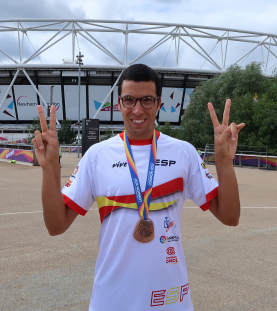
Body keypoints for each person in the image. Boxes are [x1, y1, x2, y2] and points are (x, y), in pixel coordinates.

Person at [32, 64, 245, 311]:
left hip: (170, 300)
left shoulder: (183, 152)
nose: (137, 109)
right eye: (129, 100)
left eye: (146, 100)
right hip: (111, 300)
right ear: (119, 102)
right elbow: (56, 226)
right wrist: (49, 168)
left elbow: (230, 217)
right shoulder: (97, 155)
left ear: (158, 103)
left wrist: (224, 161)